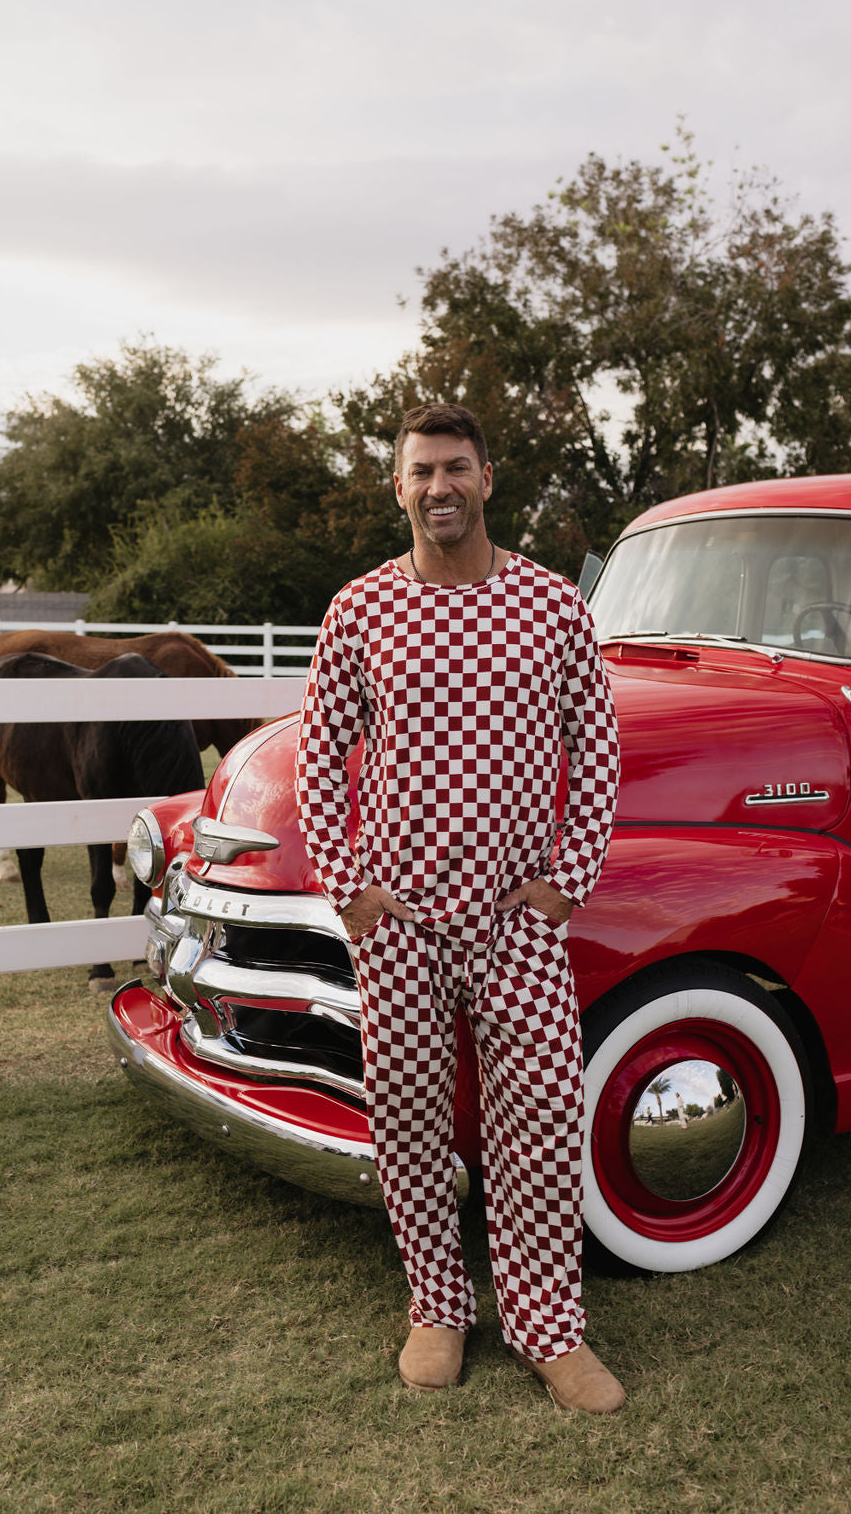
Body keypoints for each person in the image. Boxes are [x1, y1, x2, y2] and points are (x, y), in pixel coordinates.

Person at [296, 403, 623, 1413]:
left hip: (519, 921)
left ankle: (546, 1326)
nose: (438, 485)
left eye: (455, 468)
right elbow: (318, 754)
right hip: (401, 924)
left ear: (487, 477)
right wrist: (354, 895)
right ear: (397, 487)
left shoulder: (549, 604)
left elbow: (597, 743)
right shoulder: (359, 609)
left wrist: (564, 881)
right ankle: (437, 1306)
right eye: (420, 470)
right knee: (406, 1118)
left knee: (538, 1117)